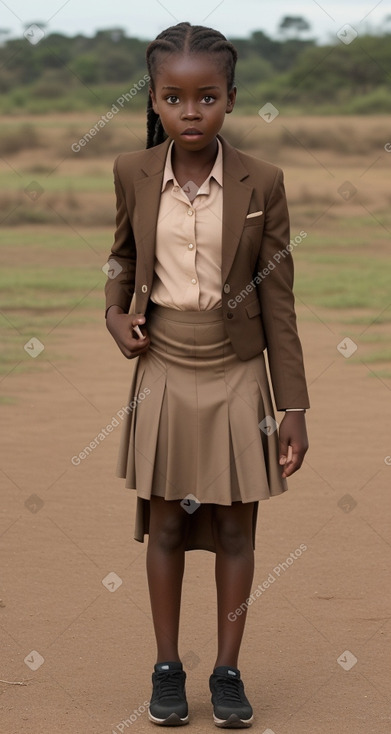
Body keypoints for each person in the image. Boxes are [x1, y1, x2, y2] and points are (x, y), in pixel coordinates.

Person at [104, 21, 309, 729]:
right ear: (154, 100)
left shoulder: (263, 182)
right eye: (174, 97)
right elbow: (121, 260)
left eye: (207, 97)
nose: (191, 113)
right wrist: (113, 311)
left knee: (233, 529)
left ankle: (226, 671)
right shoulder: (132, 170)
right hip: (163, 363)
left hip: (237, 374)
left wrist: (294, 407)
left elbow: (277, 301)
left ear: (229, 97)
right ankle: (167, 668)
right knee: (164, 524)